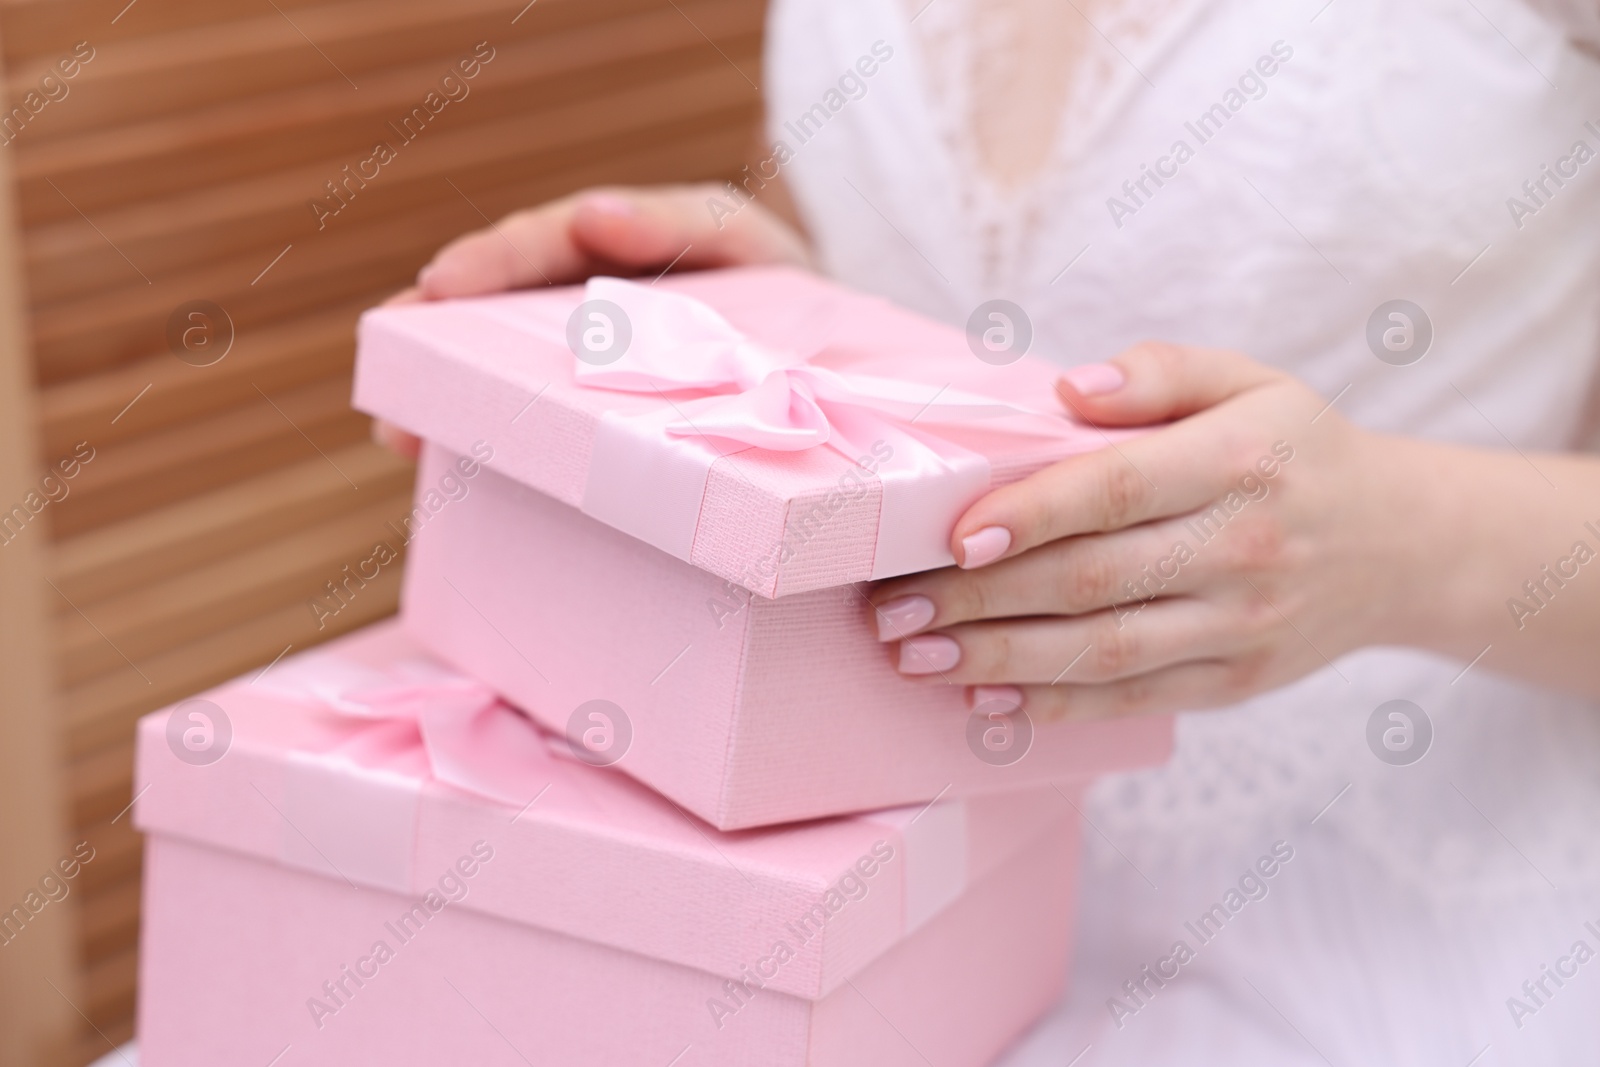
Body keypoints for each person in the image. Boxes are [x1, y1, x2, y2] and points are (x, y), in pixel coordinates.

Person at [381, 0, 1600, 1062]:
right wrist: (768, 311)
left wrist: (1402, 542)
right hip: (900, 922)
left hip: (1398, 930)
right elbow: (899, 288)